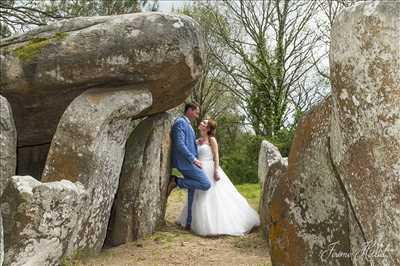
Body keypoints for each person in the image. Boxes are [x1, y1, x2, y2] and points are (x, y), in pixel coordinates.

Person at [176, 119, 260, 236]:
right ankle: (192, 221)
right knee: (198, 195)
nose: (202, 124)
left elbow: (216, 156)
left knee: (214, 195)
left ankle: (217, 224)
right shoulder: (197, 140)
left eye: (205, 123)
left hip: (210, 169)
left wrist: (216, 170)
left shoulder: (212, 140)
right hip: (199, 169)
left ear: (208, 129)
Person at [168, 102, 211, 230]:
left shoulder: (188, 124)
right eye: (196, 112)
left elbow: (188, 143)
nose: (197, 115)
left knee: (192, 191)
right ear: (190, 111)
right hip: (185, 163)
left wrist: (197, 142)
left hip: (189, 162)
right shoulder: (180, 122)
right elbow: (179, 144)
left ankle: (188, 222)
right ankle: (177, 182)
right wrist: (194, 159)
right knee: (205, 184)